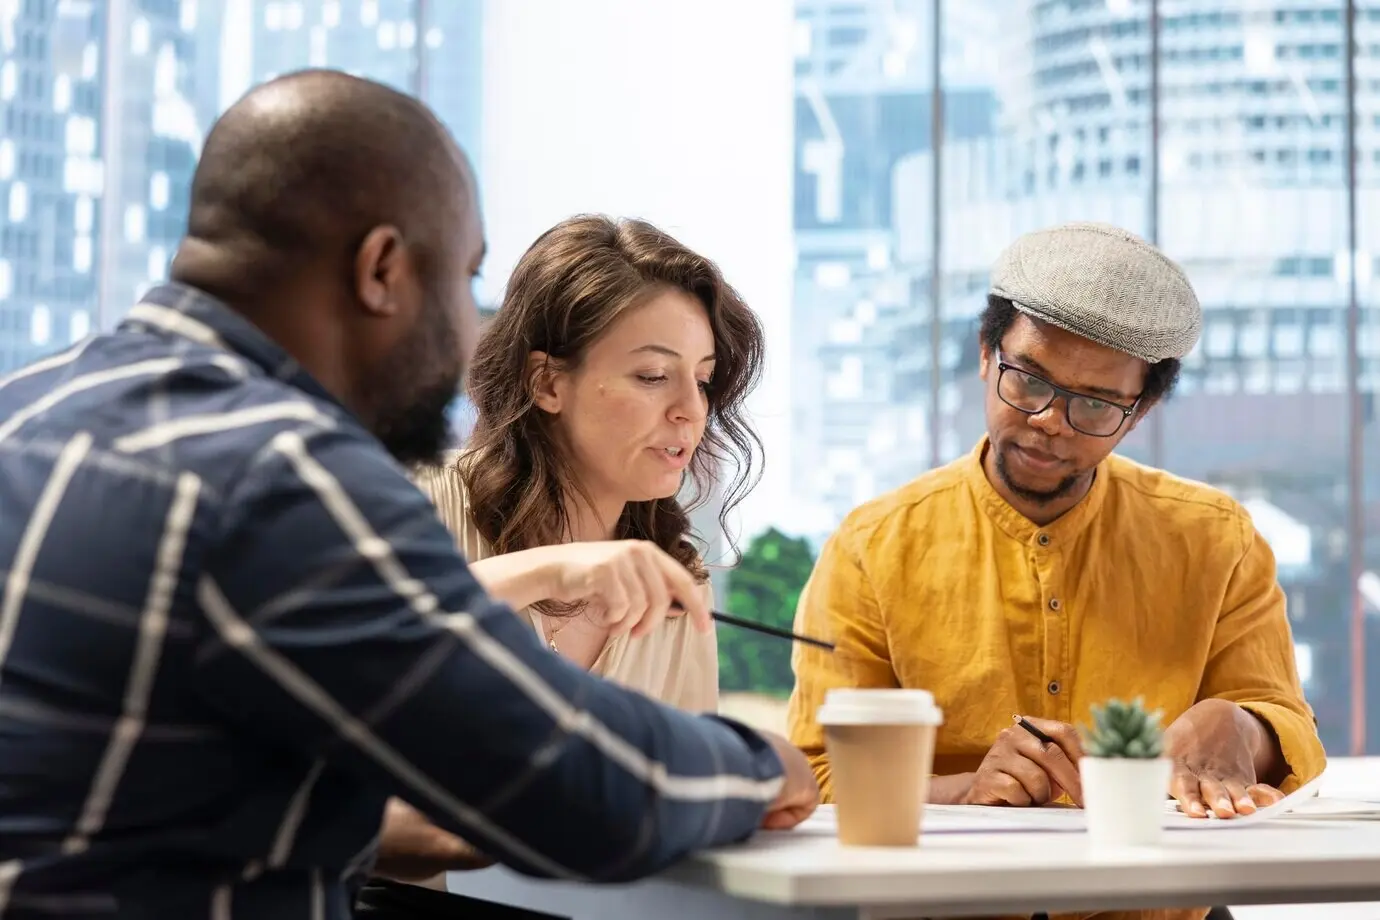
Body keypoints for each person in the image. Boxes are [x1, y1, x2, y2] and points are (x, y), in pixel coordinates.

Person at [0, 70, 817, 920]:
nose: (470, 332)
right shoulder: (283, 479)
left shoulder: (24, 409)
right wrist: (759, 764)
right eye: (464, 279)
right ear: (382, 270)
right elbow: (565, 786)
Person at [787, 222, 1325, 920]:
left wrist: (1241, 726)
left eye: (1095, 404)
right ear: (986, 355)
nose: (1049, 421)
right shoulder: (872, 546)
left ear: (1140, 411)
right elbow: (814, 778)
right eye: (1029, 380)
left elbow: (1290, 733)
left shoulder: (1216, 539)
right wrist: (965, 793)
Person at [359, 214, 767, 912]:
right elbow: (360, 643)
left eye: (702, 381)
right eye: (652, 375)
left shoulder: (677, 583)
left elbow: (681, 818)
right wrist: (547, 571)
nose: (689, 411)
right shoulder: (414, 504)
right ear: (547, 382)